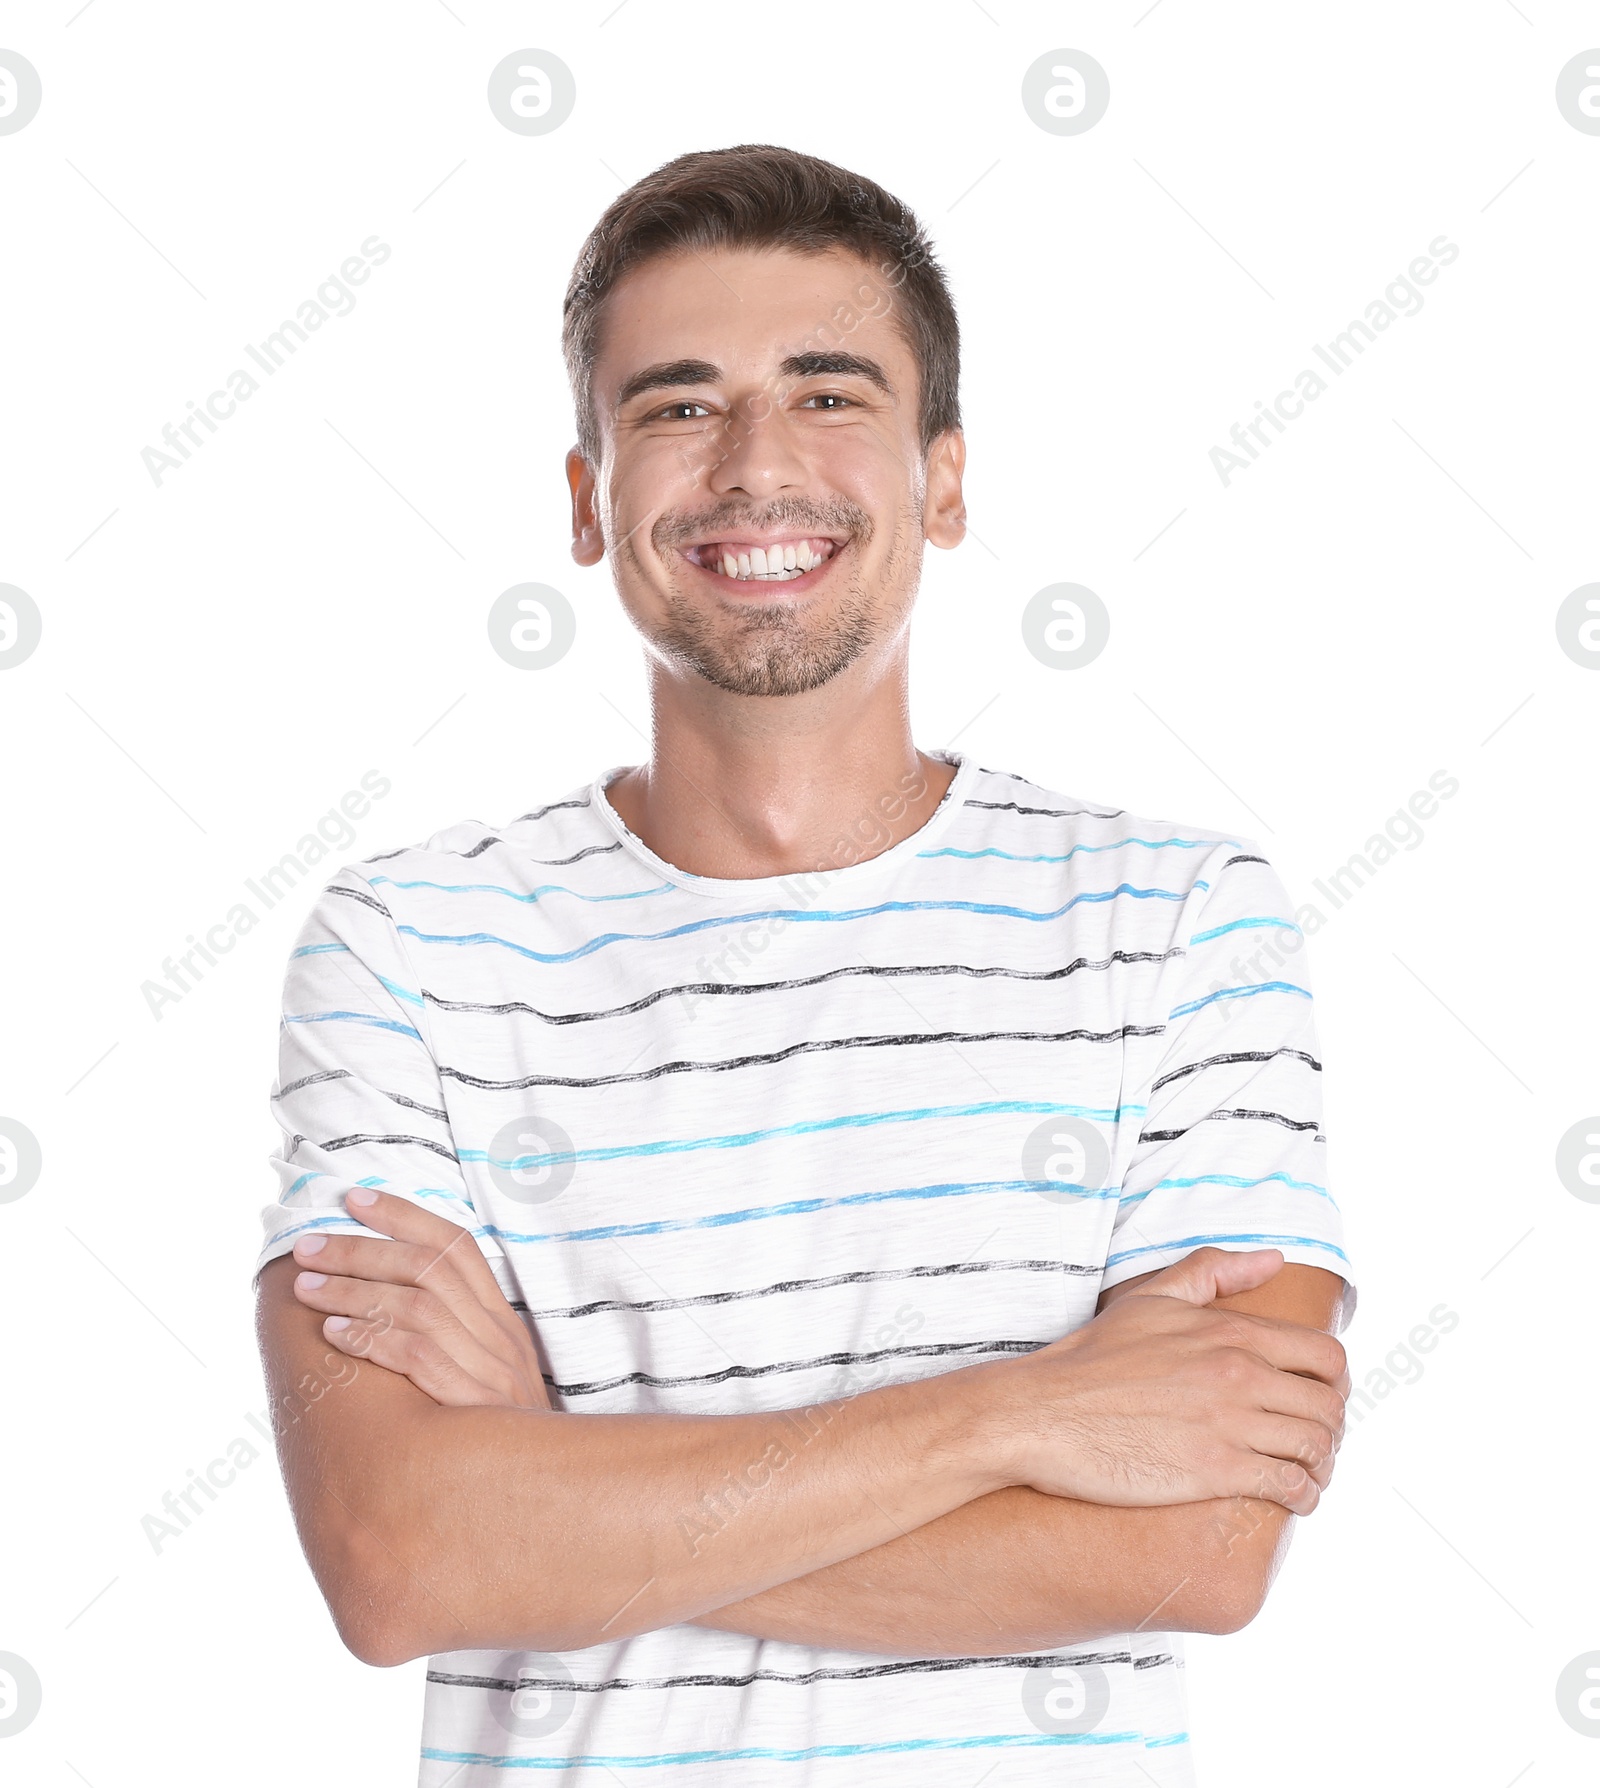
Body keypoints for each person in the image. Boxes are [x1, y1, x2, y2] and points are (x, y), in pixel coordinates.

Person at [253, 143, 1354, 1786]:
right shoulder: (409, 947)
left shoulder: (1180, 920)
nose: (756, 467)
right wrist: (1022, 1422)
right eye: (678, 406)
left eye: (830, 395)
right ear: (588, 498)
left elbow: (1196, 1550)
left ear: (948, 480)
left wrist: (555, 1476)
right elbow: (401, 1559)